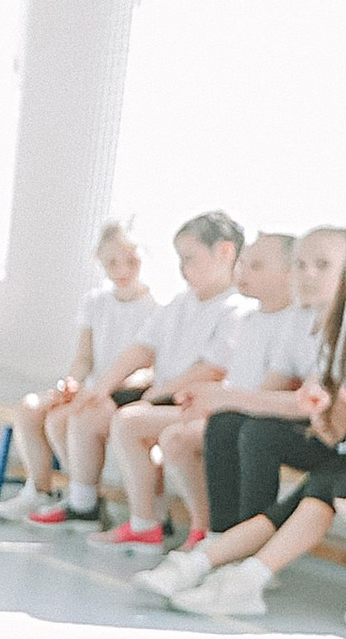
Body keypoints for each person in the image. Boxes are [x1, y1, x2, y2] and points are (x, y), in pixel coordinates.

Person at [147, 229, 346, 632]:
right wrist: (320, 413)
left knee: (335, 490)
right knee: (312, 496)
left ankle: (236, 573)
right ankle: (218, 567)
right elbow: (334, 431)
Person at [140, 225, 346, 560]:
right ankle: (221, 535)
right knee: (229, 422)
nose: (307, 274)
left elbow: (310, 405)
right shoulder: (300, 319)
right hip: (315, 427)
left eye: (323, 265)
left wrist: (226, 397)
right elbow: (274, 387)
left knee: (260, 432)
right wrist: (221, 404)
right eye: (300, 265)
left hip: (342, 438)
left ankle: (250, 549)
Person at [29, 211, 245, 531]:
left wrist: (162, 389)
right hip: (160, 395)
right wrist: (100, 389)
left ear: (224, 253)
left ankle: (147, 522)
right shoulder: (180, 302)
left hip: (191, 402)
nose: (183, 268)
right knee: (88, 412)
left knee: (129, 421)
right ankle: (83, 506)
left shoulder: (236, 308)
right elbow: (141, 350)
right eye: (180, 260)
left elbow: (212, 369)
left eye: (189, 258)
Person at [0, 220, 154, 519]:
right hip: (92, 389)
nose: (122, 270)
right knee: (30, 408)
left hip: (124, 394)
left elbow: (151, 370)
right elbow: (84, 358)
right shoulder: (95, 302)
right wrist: (71, 383)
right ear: (100, 261)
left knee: (60, 421)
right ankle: (39, 490)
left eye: (130, 261)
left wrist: (105, 389)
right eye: (112, 262)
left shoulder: (155, 308)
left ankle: (84, 500)